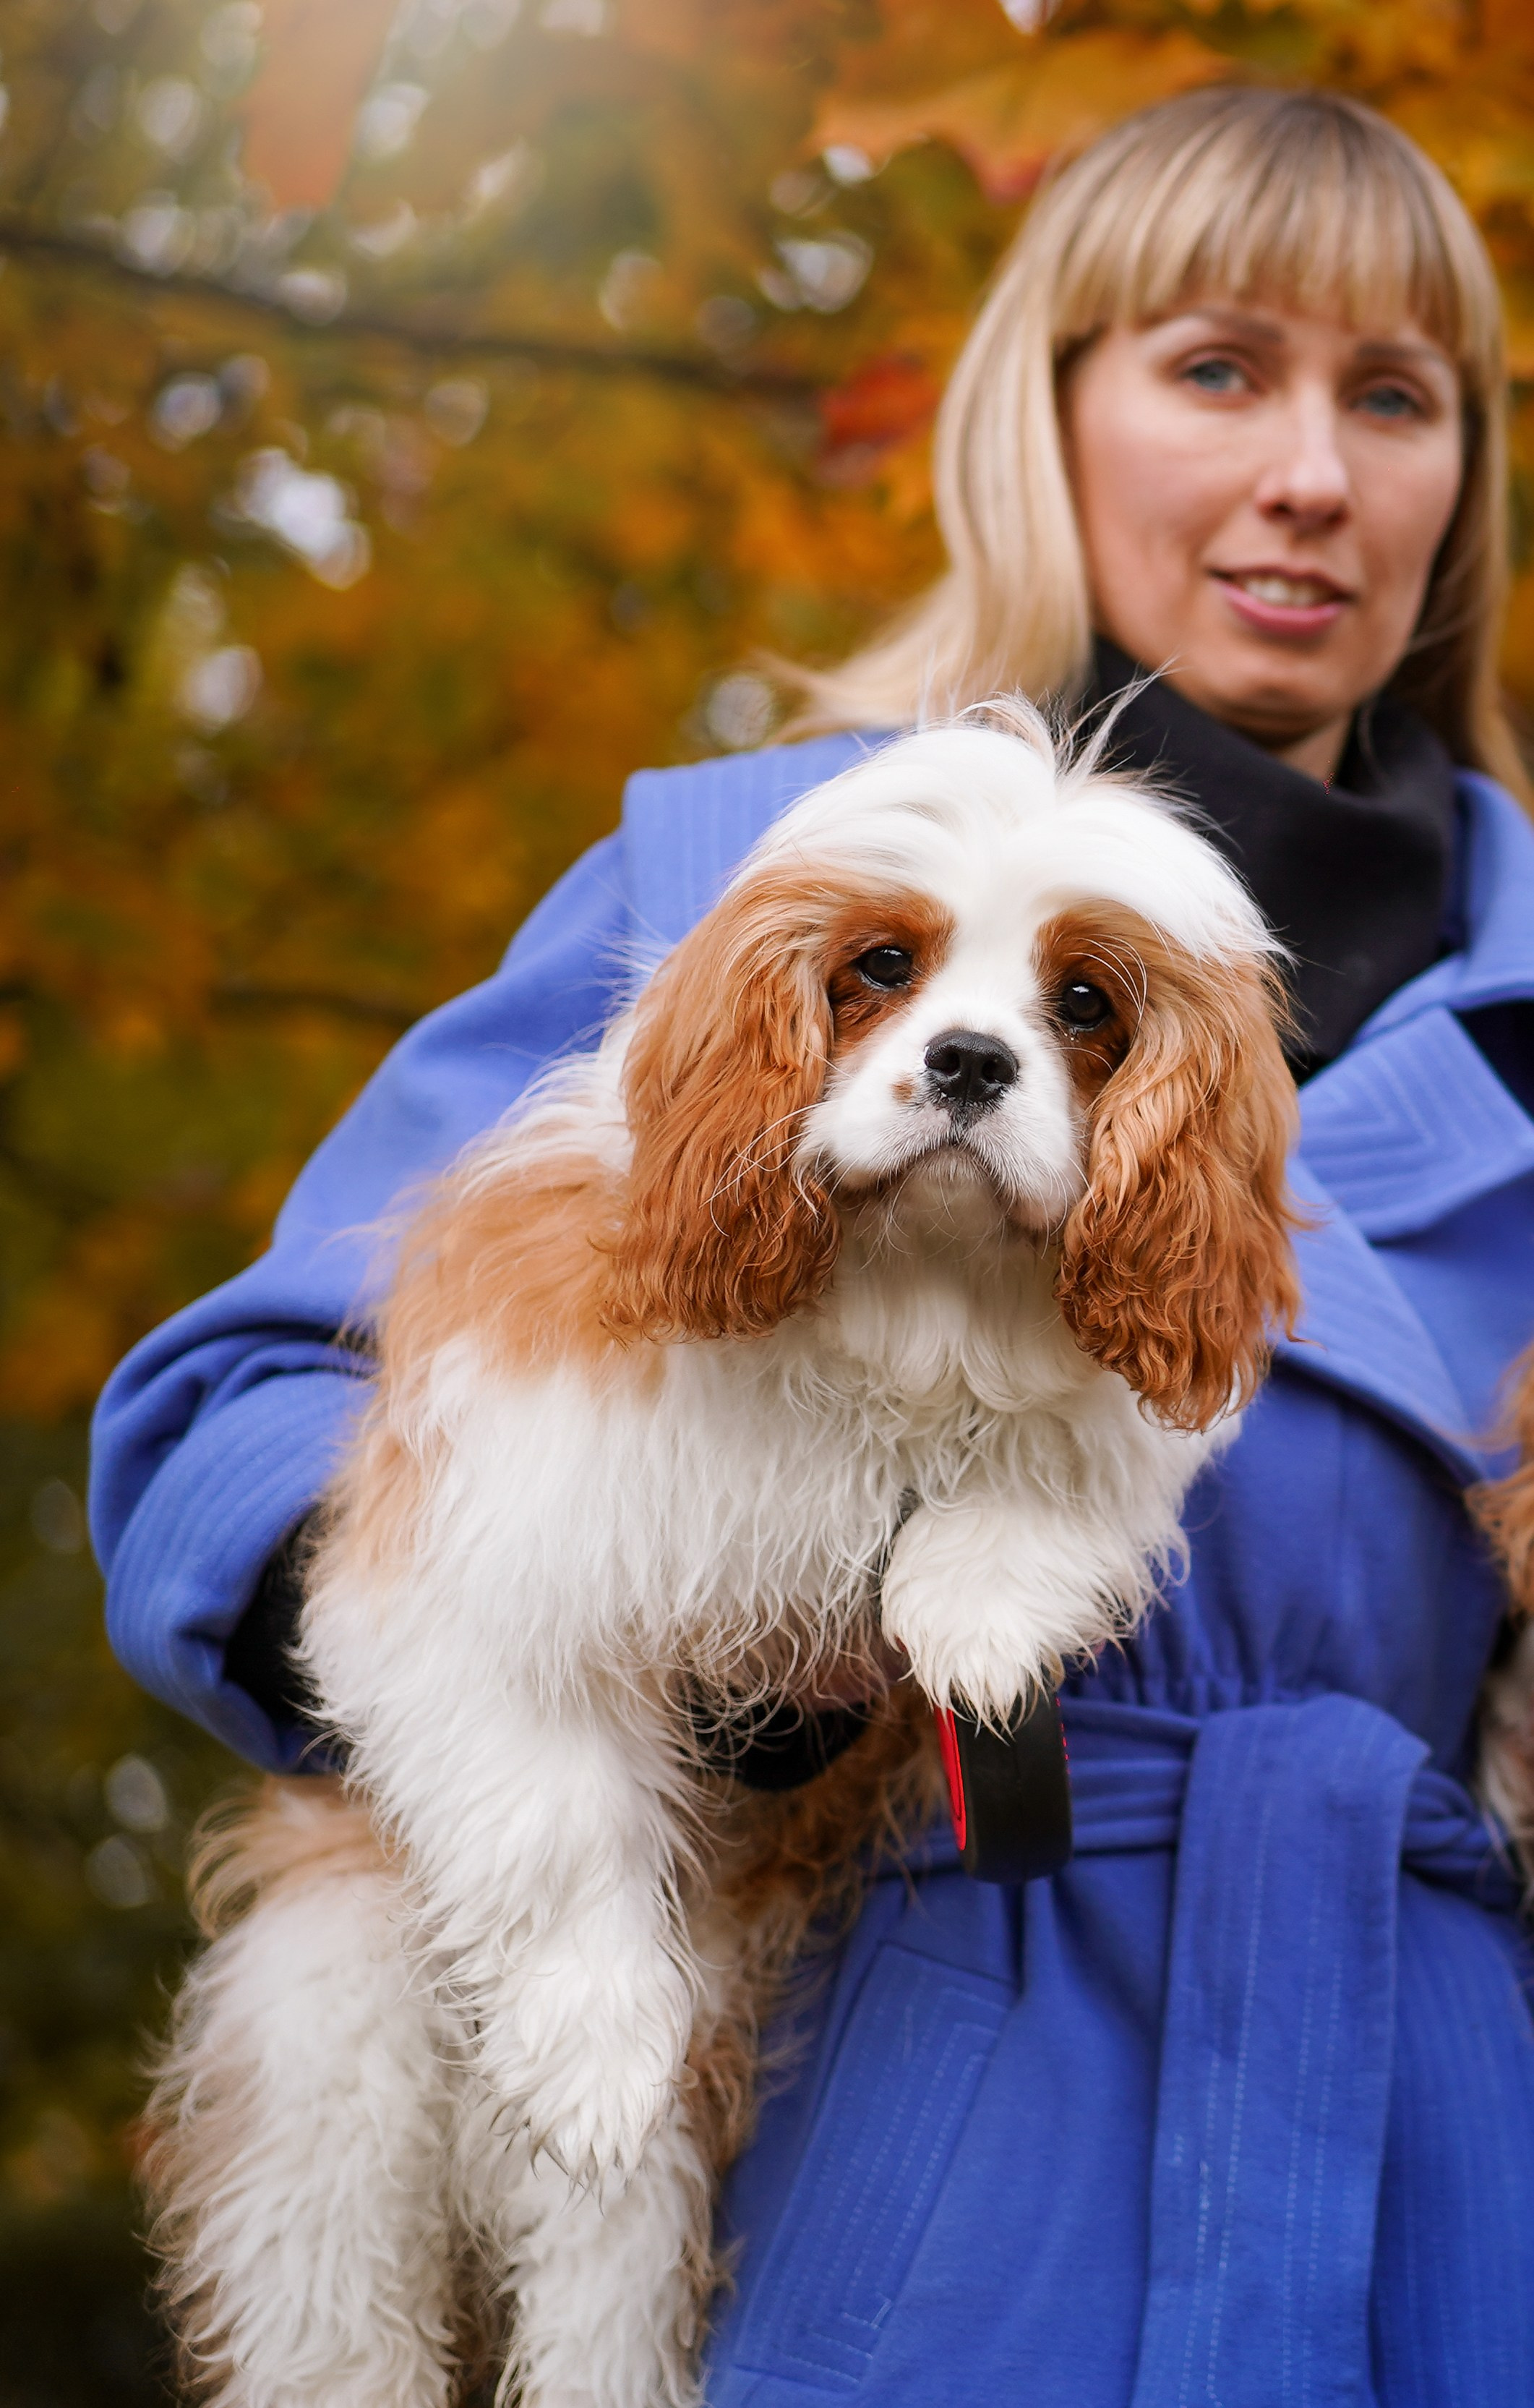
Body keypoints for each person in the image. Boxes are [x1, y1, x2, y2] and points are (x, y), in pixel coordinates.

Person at [90, 84, 1534, 2404]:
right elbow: (222, 1419)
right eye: (1212, 368)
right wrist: (613, 1677)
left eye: (1395, 397)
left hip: (1426, 2165)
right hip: (866, 2117)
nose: (1310, 476)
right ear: (1042, 412)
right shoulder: (753, 892)